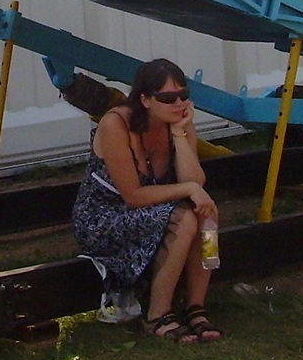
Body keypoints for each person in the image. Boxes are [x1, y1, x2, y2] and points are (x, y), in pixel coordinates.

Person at [72, 58, 223, 342]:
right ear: (145, 99)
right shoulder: (116, 124)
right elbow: (133, 196)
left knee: (208, 218)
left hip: (156, 207)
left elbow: (195, 180)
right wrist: (189, 190)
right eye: (168, 98)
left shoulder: (179, 121)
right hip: (106, 216)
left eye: (184, 96)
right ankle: (157, 315)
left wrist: (180, 133)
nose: (178, 103)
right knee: (185, 219)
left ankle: (196, 307)